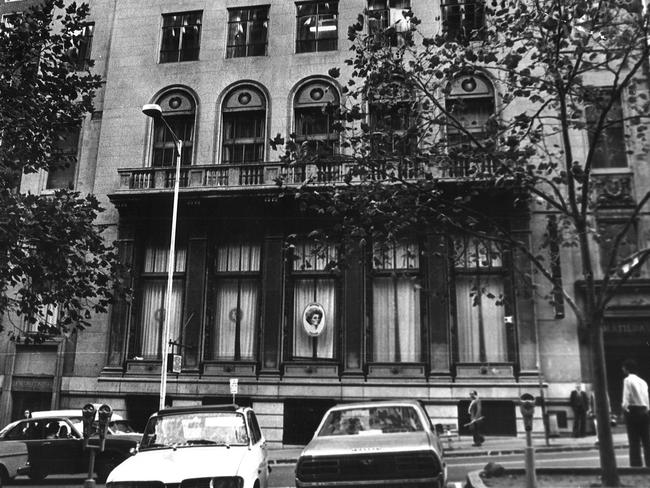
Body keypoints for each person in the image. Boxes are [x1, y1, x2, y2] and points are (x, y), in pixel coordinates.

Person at [621, 359, 650, 467]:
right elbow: (647, 398)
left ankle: (636, 465)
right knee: (647, 440)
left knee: (634, 441)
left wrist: (624, 408)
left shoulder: (627, 380)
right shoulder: (643, 381)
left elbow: (626, 397)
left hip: (633, 411)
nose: (622, 369)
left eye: (623, 367)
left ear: (627, 369)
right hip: (644, 411)